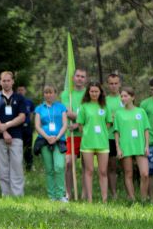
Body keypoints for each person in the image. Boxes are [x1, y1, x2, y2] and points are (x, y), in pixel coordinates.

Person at [0, 71, 27, 196]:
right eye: (3, 81)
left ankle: (17, 195)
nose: (6, 83)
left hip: (16, 136)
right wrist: (4, 131)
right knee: (2, 167)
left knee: (17, 166)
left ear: (13, 82)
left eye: (8, 80)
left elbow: (22, 117)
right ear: (0, 82)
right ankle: (6, 194)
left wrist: (6, 125)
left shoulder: (19, 98)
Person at [113, 87, 150, 202]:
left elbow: (146, 130)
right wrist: (118, 148)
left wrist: (147, 145)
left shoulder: (141, 111)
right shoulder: (118, 113)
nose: (123, 98)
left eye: (126, 96)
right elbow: (116, 132)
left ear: (132, 97)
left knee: (144, 174)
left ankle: (143, 199)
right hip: (126, 146)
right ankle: (132, 199)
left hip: (139, 145)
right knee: (128, 173)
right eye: (122, 96)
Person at [77, 81, 111, 203]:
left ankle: (104, 199)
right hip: (88, 143)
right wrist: (88, 133)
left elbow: (108, 123)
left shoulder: (105, 106)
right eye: (92, 91)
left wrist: (101, 132)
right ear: (88, 92)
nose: (94, 93)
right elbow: (80, 125)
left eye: (96, 91)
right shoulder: (84, 106)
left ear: (100, 92)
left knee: (103, 171)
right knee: (89, 170)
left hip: (102, 143)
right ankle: (90, 199)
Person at [34, 85, 68, 201]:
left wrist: (57, 137)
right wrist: (47, 137)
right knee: (49, 169)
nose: (48, 95)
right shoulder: (39, 108)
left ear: (55, 94)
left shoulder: (61, 107)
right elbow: (37, 126)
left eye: (51, 92)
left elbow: (65, 125)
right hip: (44, 140)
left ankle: (61, 195)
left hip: (59, 141)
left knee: (59, 167)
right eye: (46, 93)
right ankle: (52, 196)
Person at [60, 68, 87, 201]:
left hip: (86, 133)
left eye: (82, 77)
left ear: (85, 79)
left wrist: (78, 123)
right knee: (69, 163)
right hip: (71, 134)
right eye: (78, 76)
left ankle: (84, 194)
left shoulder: (89, 93)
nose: (80, 79)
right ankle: (68, 193)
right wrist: (80, 117)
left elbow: (90, 113)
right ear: (73, 78)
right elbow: (67, 112)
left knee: (85, 164)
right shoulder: (66, 94)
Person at [105, 72, 123, 200]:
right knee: (111, 166)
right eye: (111, 84)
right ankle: (113, 193)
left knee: (129, 168)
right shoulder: (104, 100)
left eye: (116, 83)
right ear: (107, 85)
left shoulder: (124, 98)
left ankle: (131, 194)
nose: (113, 86)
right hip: (109, 137)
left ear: (120, 84)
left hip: (125, 138)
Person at [17, 85, 35, 171]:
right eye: (19, 90)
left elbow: (31, 114)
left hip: (27, 127)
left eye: (22, 90)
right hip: (18, 128)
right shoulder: (15, 101)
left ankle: (29, 166)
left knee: (28, 147)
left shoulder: (29, 102)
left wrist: (28, 122)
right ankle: (19, 166)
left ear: (25, 91)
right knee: (18, 147)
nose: (20, 91)